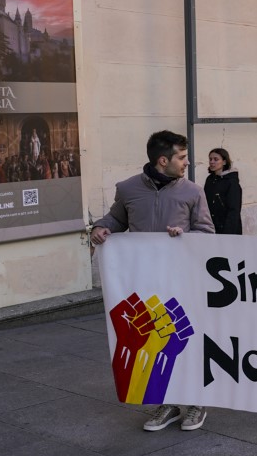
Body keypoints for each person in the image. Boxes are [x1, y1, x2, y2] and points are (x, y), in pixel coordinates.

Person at [91, 130, 214, 433]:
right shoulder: (128, 188)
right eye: (182, 157)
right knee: (155, 341)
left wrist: (185, 237)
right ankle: (167, 404)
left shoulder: (193, 191)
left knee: (188, 339)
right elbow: (116, 219)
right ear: (163, 160)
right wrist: (100, 227)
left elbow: (207, 233)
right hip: (145, 282)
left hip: (183, 282)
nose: (187, 162)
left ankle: (197, 401)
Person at [204, 147, 243, 235]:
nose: (212, 162)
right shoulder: (209, 180)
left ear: (224, 162)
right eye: (210, 159)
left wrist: (227, 233)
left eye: (216, 159)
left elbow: (234, 210)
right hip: (212, 228)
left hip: (228, 230)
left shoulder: (232, 183)